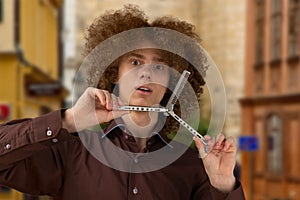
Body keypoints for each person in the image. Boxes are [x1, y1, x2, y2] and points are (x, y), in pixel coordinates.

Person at [0, 5, 245, 200]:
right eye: (135, 62)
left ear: (172, 82)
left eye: (158, 65)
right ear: (114, 73)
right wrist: (70, 120)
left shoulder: (193, 167)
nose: (146, 73)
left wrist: (223, 185)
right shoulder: (72, 153)